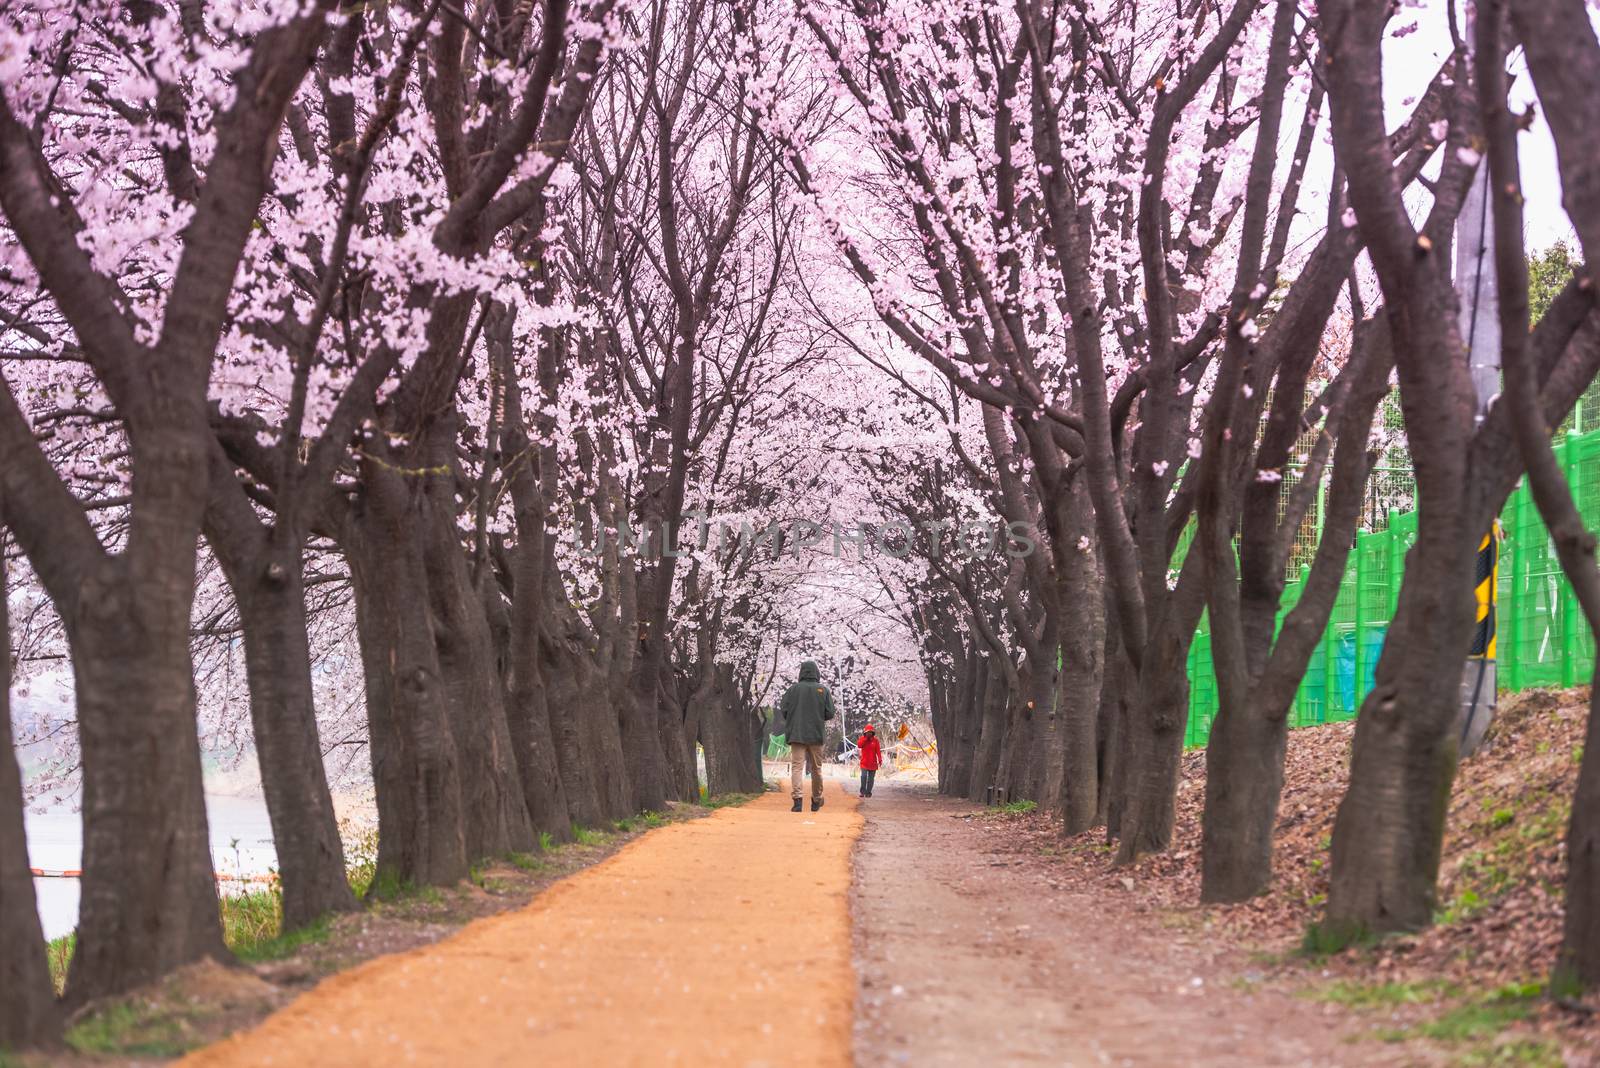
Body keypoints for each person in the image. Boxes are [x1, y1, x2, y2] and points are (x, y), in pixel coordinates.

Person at [780, 660, 836, 812]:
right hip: (816, 735)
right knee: (816, 769)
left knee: (797, 767)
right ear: (816, 673)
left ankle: (797, 801)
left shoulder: (793, 690)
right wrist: (818, 716)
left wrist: (794, 719)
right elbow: (830, 713)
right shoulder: (823, 690)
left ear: (801, 672)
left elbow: (784, 709)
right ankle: (816, 800)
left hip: (797, 734)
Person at [857, 724, 882, 798]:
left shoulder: (876, 741)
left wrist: (880, 759)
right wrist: (865, 739)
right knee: (863, 776)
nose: (869, 734)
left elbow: (878, 751)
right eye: (867, 732)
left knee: (871, 779)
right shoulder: (862, 739)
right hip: (864, 763)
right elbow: (859, 745)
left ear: (873, 733)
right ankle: (862, 792)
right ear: (865, 733)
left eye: (870, 732)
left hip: (873, 763)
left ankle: (868, 792)